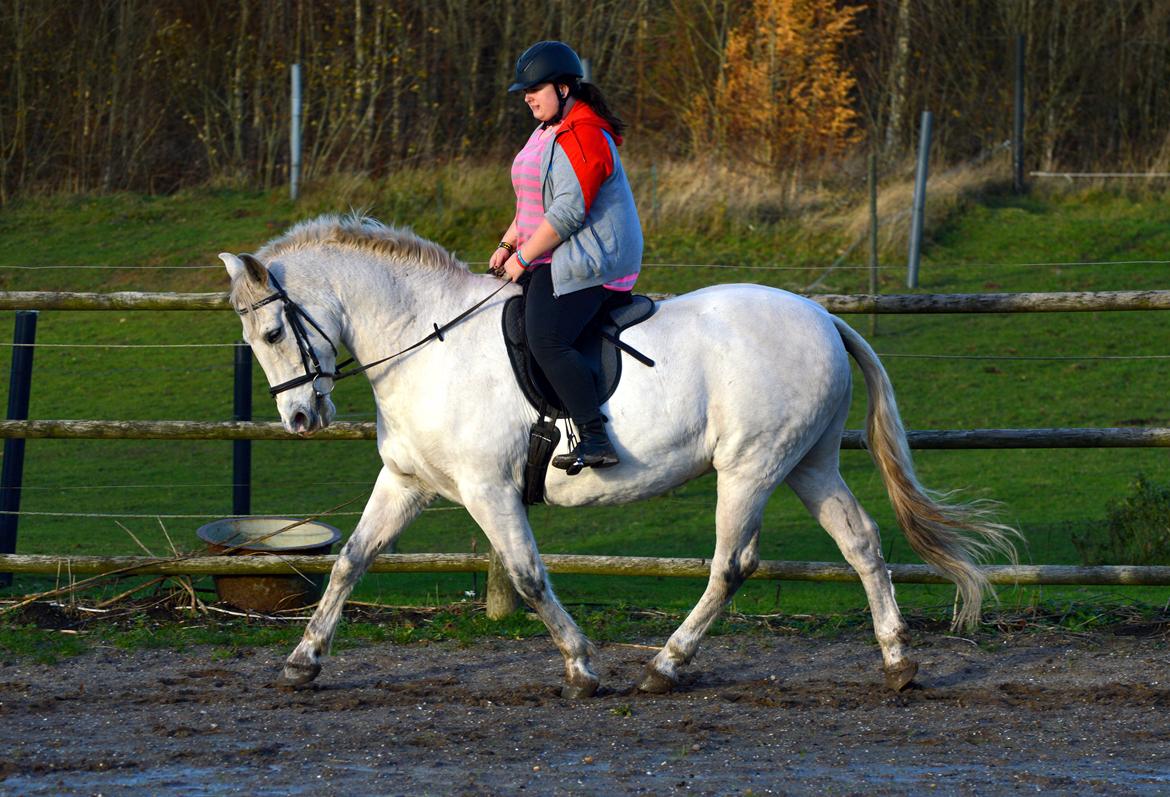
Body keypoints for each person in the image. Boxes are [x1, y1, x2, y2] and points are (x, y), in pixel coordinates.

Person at [489, 40, 643, 475]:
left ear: (562, 88)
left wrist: (522, 257)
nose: (527, 96)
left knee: (547, 338)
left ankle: (595, 437)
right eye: (525, 90)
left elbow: (569, 211)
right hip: (551, 252)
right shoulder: (545, 130)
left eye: (534, 88)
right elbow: (531, 204)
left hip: (593, 261)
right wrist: (506, 244)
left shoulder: (585, 133)